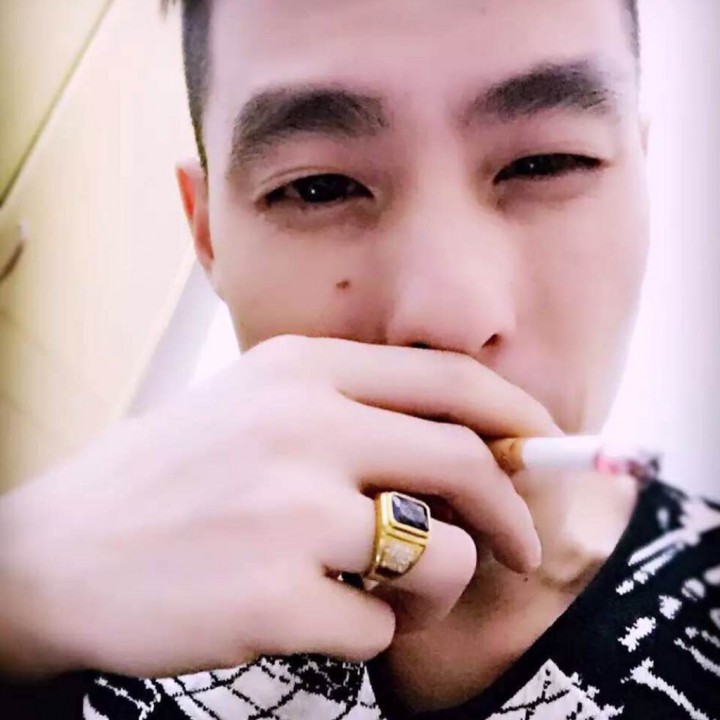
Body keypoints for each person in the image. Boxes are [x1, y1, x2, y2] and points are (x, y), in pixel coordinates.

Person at [1, 0, 719, 717]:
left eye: (546, 163)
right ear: (208, 235)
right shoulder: (78, 619)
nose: (449, 319)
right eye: (320, 187)